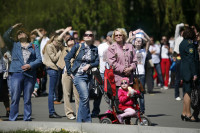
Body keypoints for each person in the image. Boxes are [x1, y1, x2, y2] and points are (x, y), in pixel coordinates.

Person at [3, 23, 42, 121]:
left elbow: (39, 60)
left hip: (30, 74)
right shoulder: (14, 45)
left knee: (27, 98)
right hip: (16, 73)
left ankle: (27, 118)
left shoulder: (34, 46)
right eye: (18, 33)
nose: (20, 34)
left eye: (22, 32)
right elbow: (5, 36)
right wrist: (14, 27)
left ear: (27, 35)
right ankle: (12, 118)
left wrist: (30, 65)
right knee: (15, 97)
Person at [65, 30, 99, 122]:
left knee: (84, 98)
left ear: (92, 37)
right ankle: (87, 120)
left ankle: (79, 121)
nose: (88, 36)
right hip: (78, 75)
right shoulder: (77, 46)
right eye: (86, 35)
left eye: (90, 35)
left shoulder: (95, 48)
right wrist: (69, 72)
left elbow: (97, 62)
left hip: (89, 76)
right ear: (83, 37)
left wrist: (90, 65)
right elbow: (67, 58)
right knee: (85, 97)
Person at [43, 26, 72, 118]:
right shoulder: (49, 46)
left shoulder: (54, 44)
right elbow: (54, 58)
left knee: (53, 91)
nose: (59, 44)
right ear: (53, 40)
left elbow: (59, 39)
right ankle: (51, 112)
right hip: (51, 69)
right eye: (57, 42)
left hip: (55, 69)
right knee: (51, 92)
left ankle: (52, 112)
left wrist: (64, 32)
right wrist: (60, 51)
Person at [107, 28, 137, 104]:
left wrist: (130, 68)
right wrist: (124, 69)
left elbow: (135, 61)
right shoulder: (111, 48)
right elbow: (112, 63)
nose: (118, 36)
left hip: (130, 79)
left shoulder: (130, 46)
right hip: (118, 80)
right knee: (119, 103)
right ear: (114, 37)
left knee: (130, 102)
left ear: (123, 36)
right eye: (116, 35)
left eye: (120, 35)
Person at [91, 31, 113, 118]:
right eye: (111, 36)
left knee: (111, 94)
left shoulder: (116, 46)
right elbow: (96, 58)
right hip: (101, 73)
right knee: (98, 94)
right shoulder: (101, 46)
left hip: (112, 74)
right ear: (107, 37)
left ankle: (113, 111)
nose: (113, 37)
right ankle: (95, 111)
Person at [56, 36, 79, 120]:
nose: (70, 41)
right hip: (66, 73)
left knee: (77, 94)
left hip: (76, 73)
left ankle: (79, 112)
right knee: (67, 94)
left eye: (72, 39)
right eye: (68, 39)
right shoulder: (63, 48)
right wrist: (64, 31)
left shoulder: (78, 48)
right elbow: (57, 40)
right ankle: (69, 113)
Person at [180, 27, 198, 122]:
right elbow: (191, 60)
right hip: (189, 70)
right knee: (188, 92)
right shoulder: (189, 45)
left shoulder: (183, 43)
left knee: (186, 91)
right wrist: (194, 73)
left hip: (184, 69)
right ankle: (188, 113)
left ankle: (184, 112)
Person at [131, 29, 150, 114]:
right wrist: (133, 36)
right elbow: (126, 42)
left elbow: (148, 40)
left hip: (141, 74)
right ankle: (135, 110)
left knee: (141, 94)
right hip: (133, 73)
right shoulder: (131, 50)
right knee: (133, 94)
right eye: (137, 41)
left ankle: (142, 111)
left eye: (140, 41)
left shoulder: (144, 51)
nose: (138, 42)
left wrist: (143, 33)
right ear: (134, 42)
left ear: (142, 43)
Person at [173, 23, 186, 101]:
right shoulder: (177, 37)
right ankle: (176, 95)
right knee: (177, 77)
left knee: (185, 77)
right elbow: (177, 26)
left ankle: (185, 94)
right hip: (178, 57)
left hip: (185, 58)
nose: (183, 33)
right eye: (182, 32)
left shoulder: (187, 39)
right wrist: (184, 25)